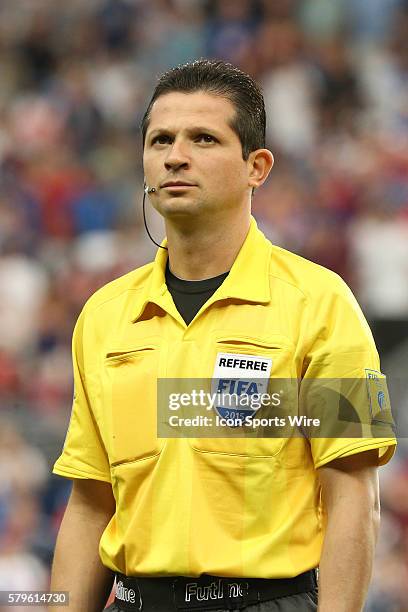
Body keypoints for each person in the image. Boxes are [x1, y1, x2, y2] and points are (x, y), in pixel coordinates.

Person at [50, 59, 396, 612]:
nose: (175, 155)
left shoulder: (323, 304)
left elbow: (354, 498)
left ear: (257, 166)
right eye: (160, 139)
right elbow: (90, 504)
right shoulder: (103, 317)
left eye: (203, 138)